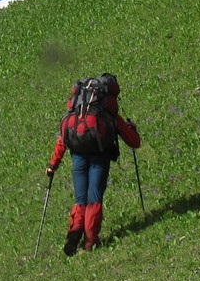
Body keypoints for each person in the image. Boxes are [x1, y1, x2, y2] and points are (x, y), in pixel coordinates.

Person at [46, 74, 141, 254]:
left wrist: (53, 165)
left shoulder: (76, 113)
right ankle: (90, 241)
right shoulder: (108, 115)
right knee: (94, 197)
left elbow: (63, 140)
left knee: (80, 198)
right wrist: (132, 130)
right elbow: (134, 142)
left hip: (78, 155)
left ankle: (74, 232)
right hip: (100, 156)